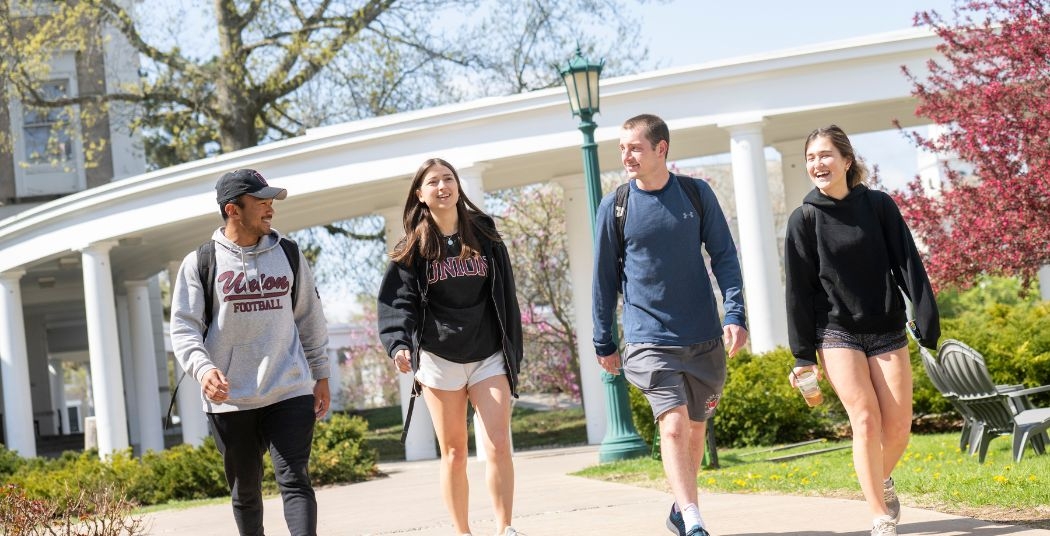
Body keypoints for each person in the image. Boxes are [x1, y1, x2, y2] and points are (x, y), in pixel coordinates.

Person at [592, 114, 748, 536]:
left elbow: (725, 258)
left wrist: (735, 313)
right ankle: (695, 519)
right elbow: (604, 278)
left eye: (635, 147)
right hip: (648, 337)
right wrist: (603, 339)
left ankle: (682, 507)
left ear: (662, 149)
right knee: (674, 424)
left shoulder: (696, 195)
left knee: (695, 429)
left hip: (702, 335)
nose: (626, 155)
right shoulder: (616, 206)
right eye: (622, 148)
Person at [784, 125, 940, 536]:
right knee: (866, 420)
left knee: (899, 427)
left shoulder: (879, 206)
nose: (817, 164)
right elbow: (799, 291)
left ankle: (877, 478)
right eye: (811, 157)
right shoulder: (804, 219)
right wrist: (802, 355)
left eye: (825, 155)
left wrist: (926, 317)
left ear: (847, 161)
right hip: (836, 331)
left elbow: (908, 262)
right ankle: (879, 515)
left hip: (886, 325)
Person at [170, 168, 331, 536]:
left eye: (270, 201)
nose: (270, 208)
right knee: (246, 493)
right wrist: (203, 369)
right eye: (261, 201)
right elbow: (183, 327)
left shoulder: (288, 253)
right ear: (233, 210)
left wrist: (320, 374)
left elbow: (309, 316)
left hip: (288, 388)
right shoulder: (200, 263)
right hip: (231, 398)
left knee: (296, 481)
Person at [377, 158, 524, 536]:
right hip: (440, 358)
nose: (443, 186)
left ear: (458, 186)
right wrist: (398, 345)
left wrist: (512, 349)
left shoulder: (484, 233)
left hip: (488, 352)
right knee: (455, 453)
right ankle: (463, 532)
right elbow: (398, 303)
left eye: (448, 179)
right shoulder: (413, 247)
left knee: (497, 444)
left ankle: (505, 527)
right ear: (420, 195)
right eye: (433, 182)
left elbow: (505, 293)